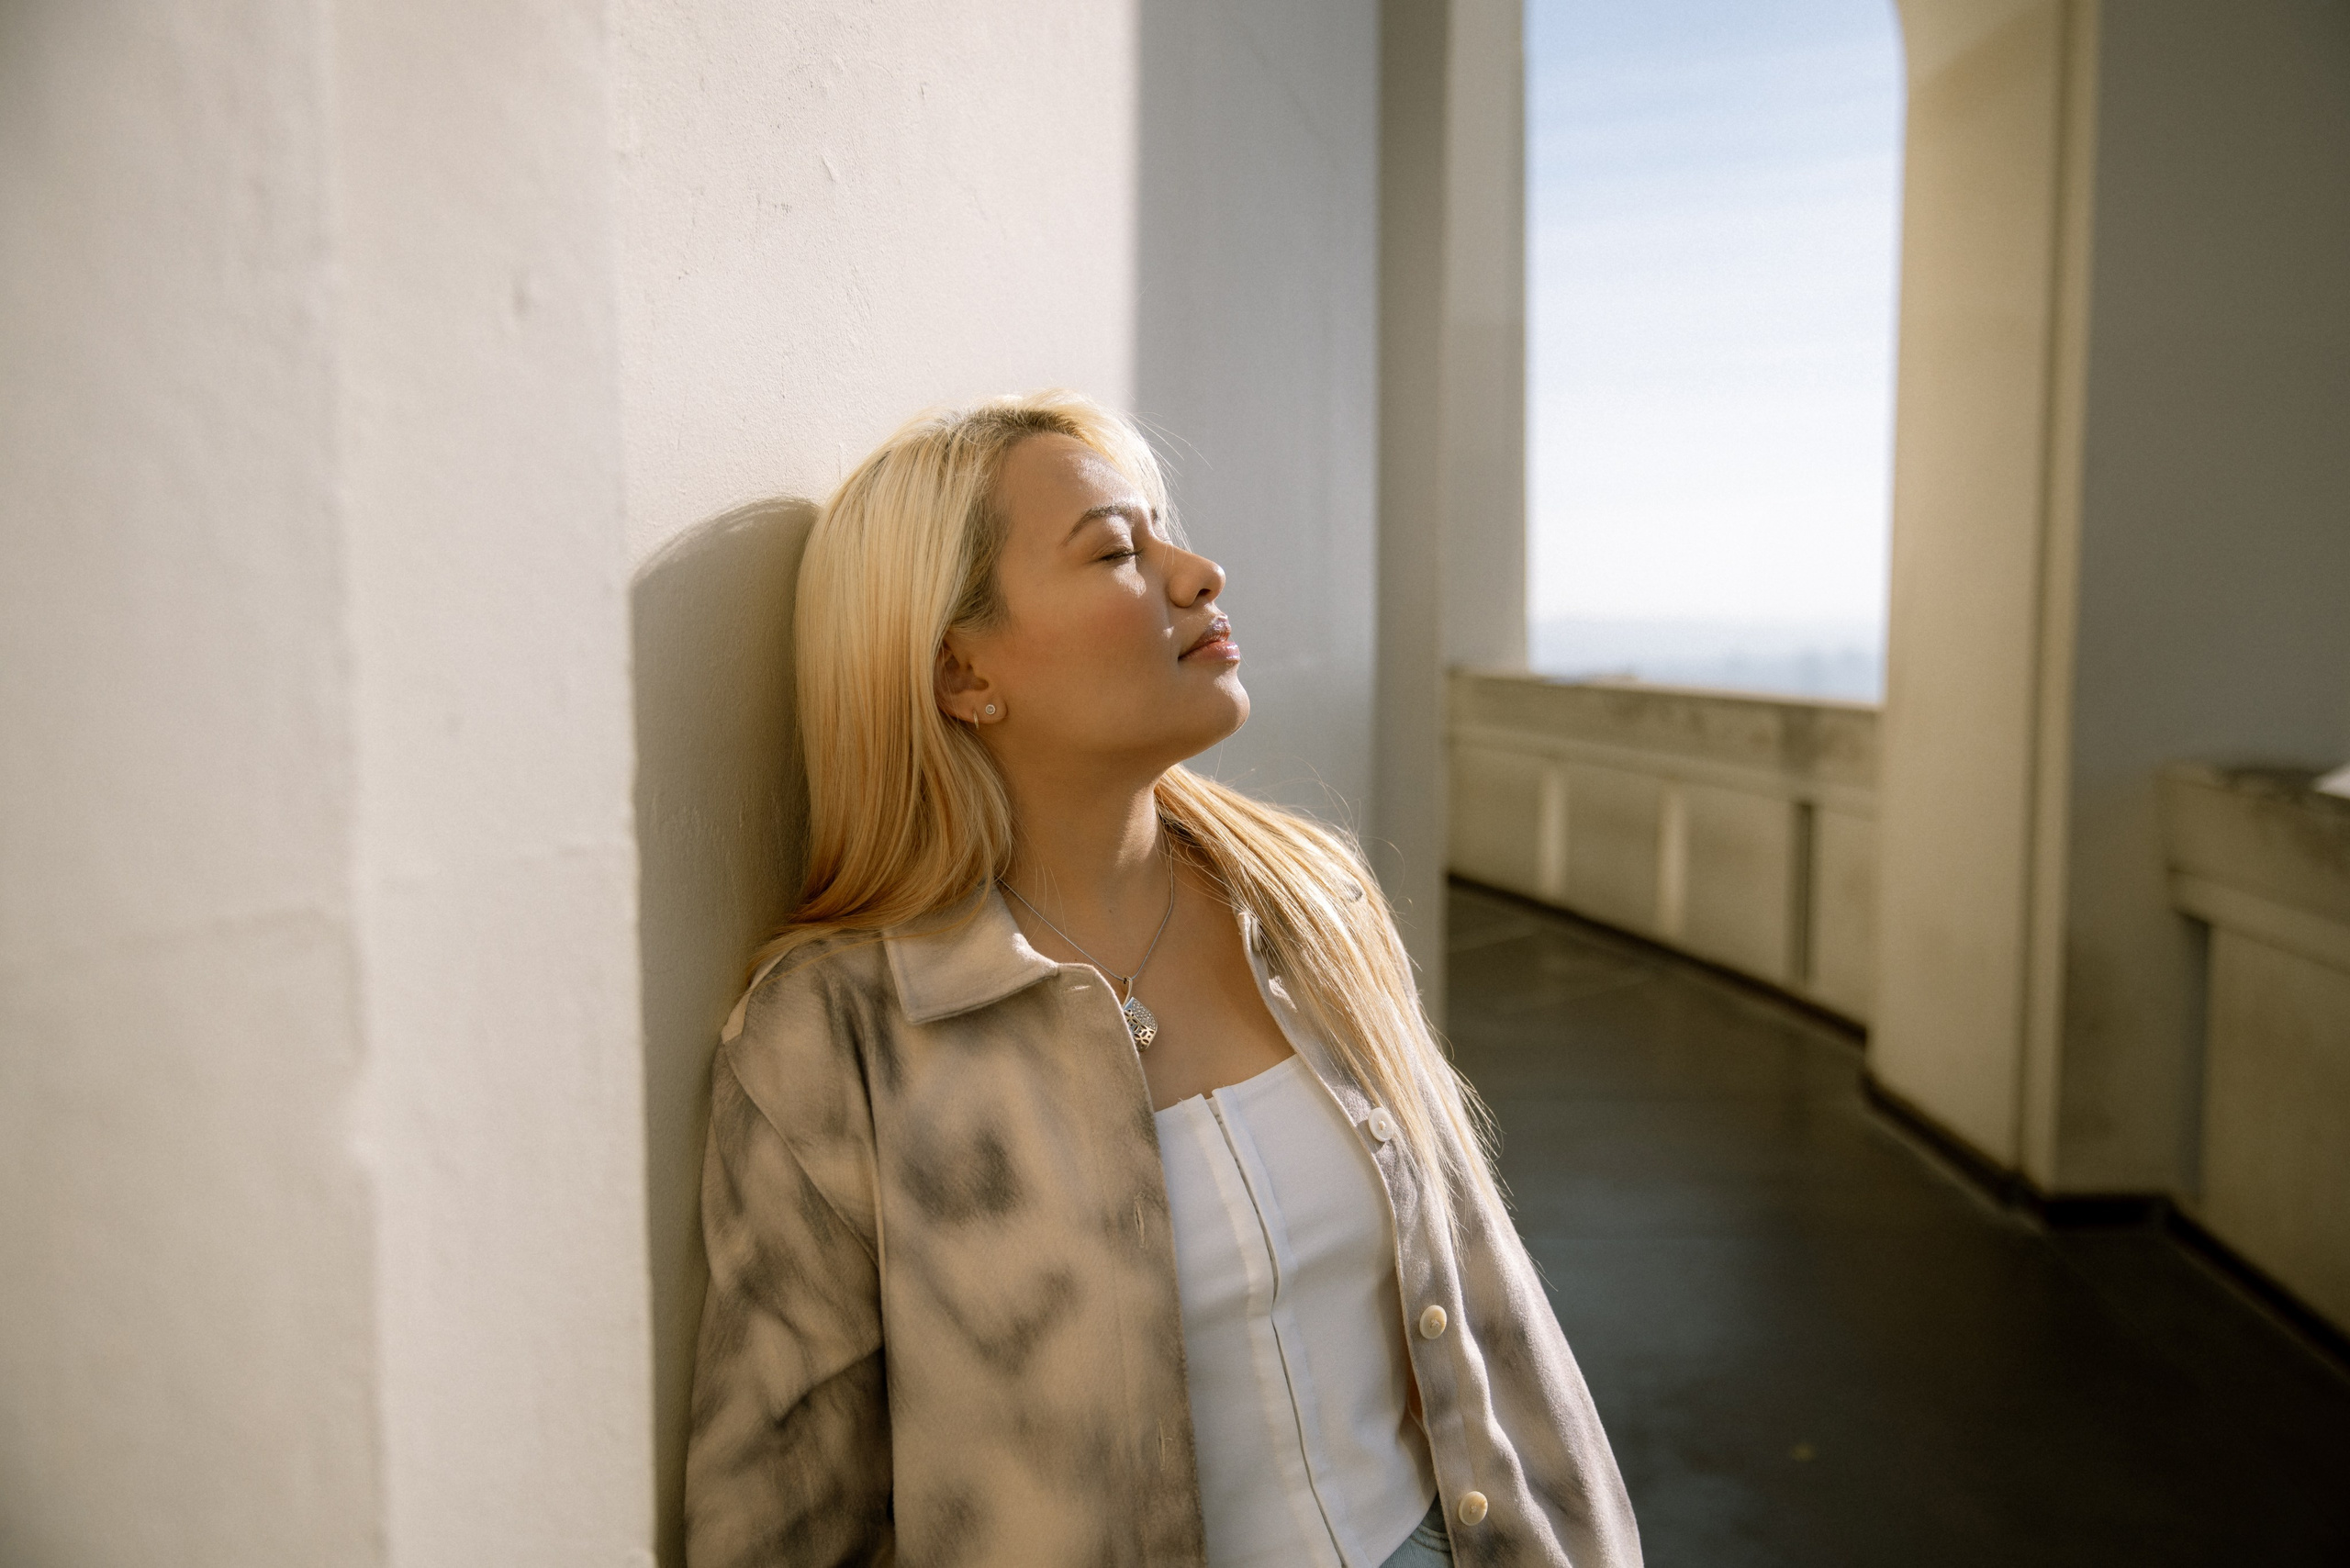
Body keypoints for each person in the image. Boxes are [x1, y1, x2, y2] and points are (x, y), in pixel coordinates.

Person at [682, 391, 1640, 1568]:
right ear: (959, 671)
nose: (1200, 572)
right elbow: (783, 1522)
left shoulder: (1309, 902)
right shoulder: (835, 1037)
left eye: (1163, 531)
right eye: (1118, 551)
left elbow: (1488, 1322)